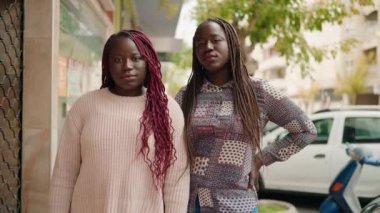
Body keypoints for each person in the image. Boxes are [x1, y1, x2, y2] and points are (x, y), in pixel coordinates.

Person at [175, 17, 317, 213]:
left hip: (237, 204)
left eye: (215, 40)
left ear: (231, 44)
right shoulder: (186, 95)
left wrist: (260, 159)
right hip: (194, 203)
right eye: (200, 43)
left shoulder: (258, 92)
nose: (207, 47)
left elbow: (306, 130)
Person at [49, 29, 190, 213]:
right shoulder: (84, 107)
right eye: (117, 59)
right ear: (107, 65)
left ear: (148, 62)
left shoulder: (169, 110)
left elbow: (176, 182)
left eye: (136, 58)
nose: (127, 66)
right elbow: (64, 175)